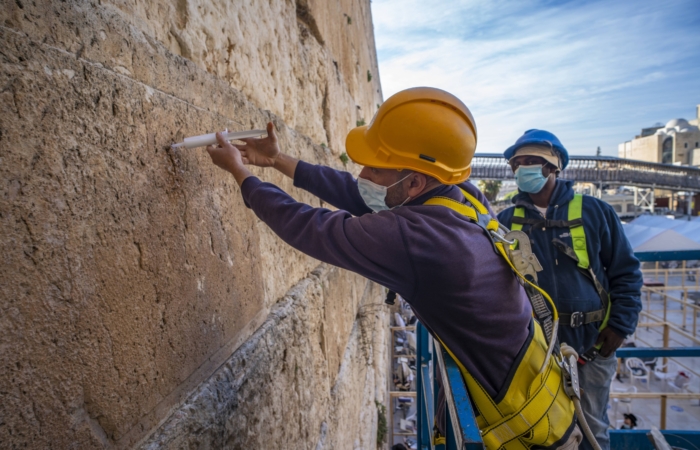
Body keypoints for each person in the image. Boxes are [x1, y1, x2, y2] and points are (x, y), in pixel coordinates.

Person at [204, 88, 579, 449]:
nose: (363, 173)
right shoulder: (461, 196)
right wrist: (277, 160)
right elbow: (359, 194)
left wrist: (241, 174)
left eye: (374, 168)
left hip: (521, 429)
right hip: (536, 384)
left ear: (414, 182)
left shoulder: (418, 239)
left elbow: (311, 227)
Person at [497, 130, 643, 450]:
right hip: (534, 346)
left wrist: (620, 326)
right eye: (516, 164)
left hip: (591, 344)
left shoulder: (594, 212)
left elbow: (626, 272)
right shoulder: (507, 221)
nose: (522, 169)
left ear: (553, 166)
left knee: (592, 427)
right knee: (539, 427)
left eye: (531, 162)